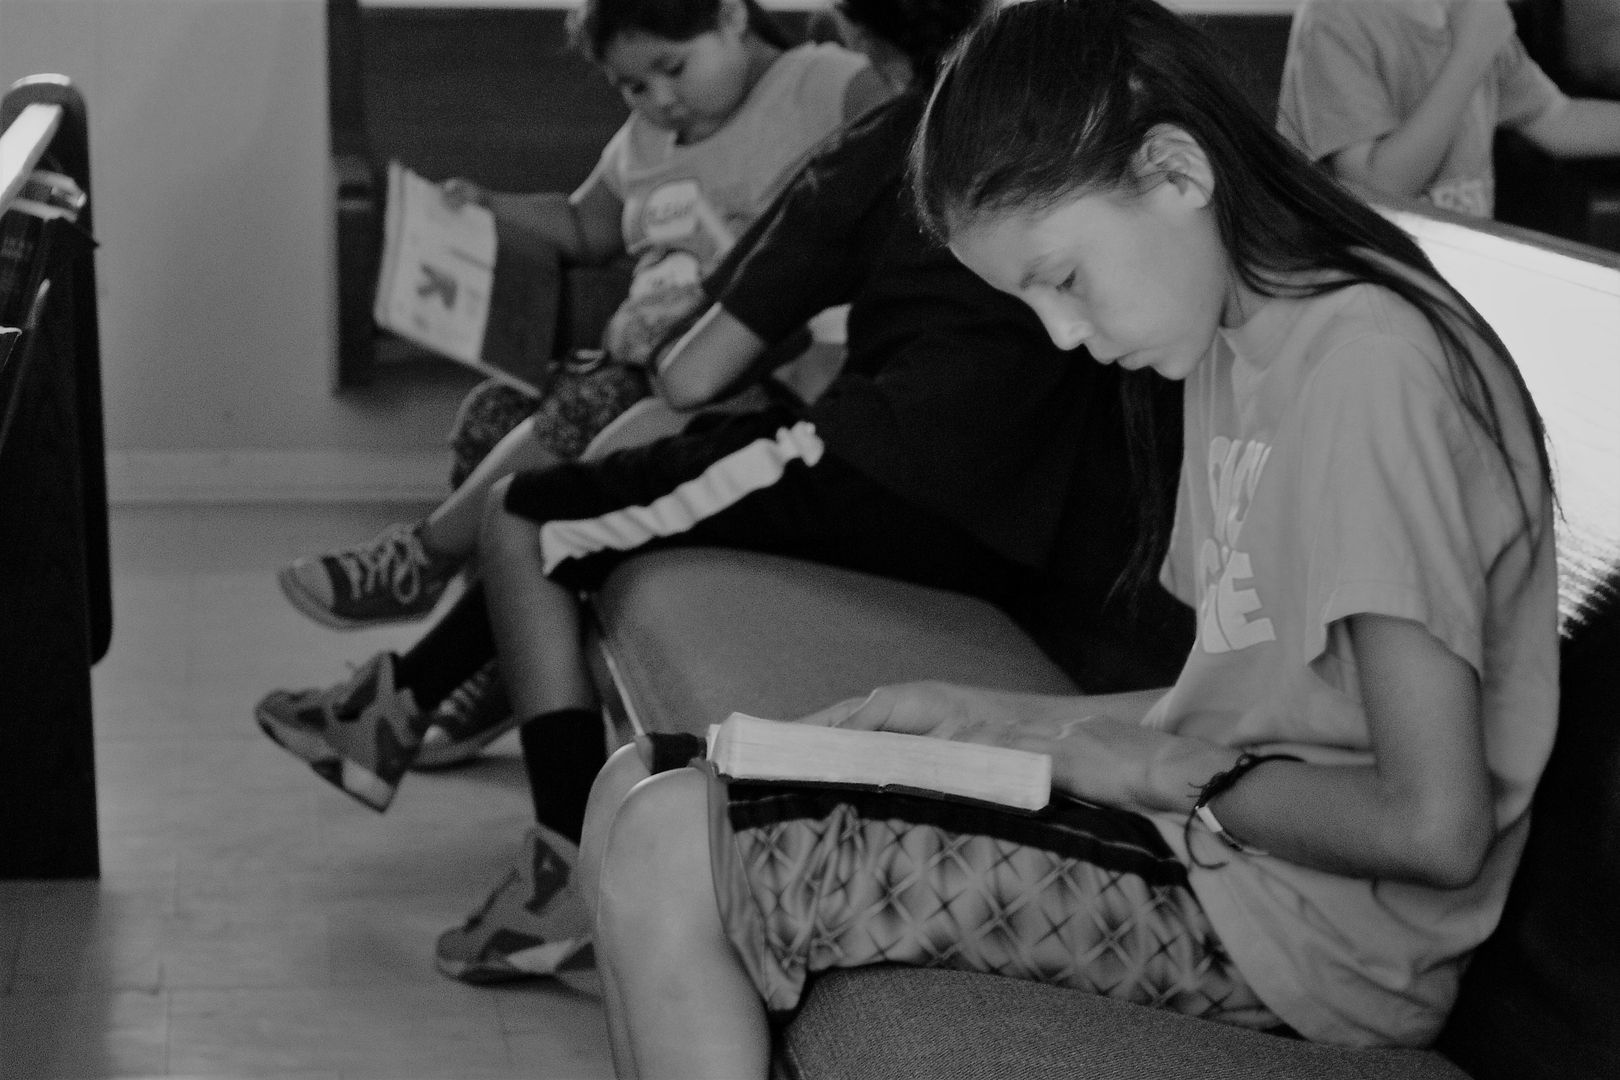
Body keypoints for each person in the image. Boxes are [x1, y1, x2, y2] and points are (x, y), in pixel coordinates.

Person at [579, 0, 1561, 1072]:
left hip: (1307, 944)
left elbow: (1431, 823)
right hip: (1227, 866)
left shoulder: (1368, 369)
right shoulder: (1239, 334)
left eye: (1062, 279)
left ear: (1177, 174)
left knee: (682, 847)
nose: (1062, 336)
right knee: (635, 791)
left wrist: (1148, 772)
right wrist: (1005, 721)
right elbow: (1266, 704)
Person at [255, 0, 1191, 983]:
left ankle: (560, 863)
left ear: (867, 43)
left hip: (884, 471)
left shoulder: (886, 143)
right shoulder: (1082, 121)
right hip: (1025, 517)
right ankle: (398, 699)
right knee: (591, 486)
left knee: (530, 518)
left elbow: (691, 375)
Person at [274, 0, 888, 758]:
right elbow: (585, 226)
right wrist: (488, 209)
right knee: (492, 415)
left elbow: (902, 138)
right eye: (634, 86)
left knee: (589, 415)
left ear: (732, 16)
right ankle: (493, 669)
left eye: (674, 66)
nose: (661, 98)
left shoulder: (820, 84)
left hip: (752, 373)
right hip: (646, 364)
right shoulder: (646, 141)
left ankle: (421, 561)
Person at [1277, 0, 1620, 218]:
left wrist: (1476, 40)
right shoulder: (1335, 17)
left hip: (1457, 277)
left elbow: (1555, 120)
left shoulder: (1470, 12)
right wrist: (1469, 53)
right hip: (1371, 293)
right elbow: (1378, 188)